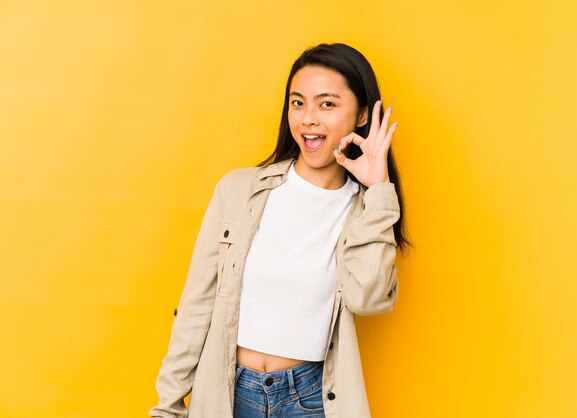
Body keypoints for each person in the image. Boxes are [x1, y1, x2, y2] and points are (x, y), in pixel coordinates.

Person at [149, 42, 411, 418]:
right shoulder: (238, 191)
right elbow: (197, 307)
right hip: (228, 394)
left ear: (362, 116)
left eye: (327, 104)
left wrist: (379, 190)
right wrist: (168, 407)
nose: (308, 119)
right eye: (298, 102)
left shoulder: (365, 210)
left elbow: (367, 299)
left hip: (310, 400)